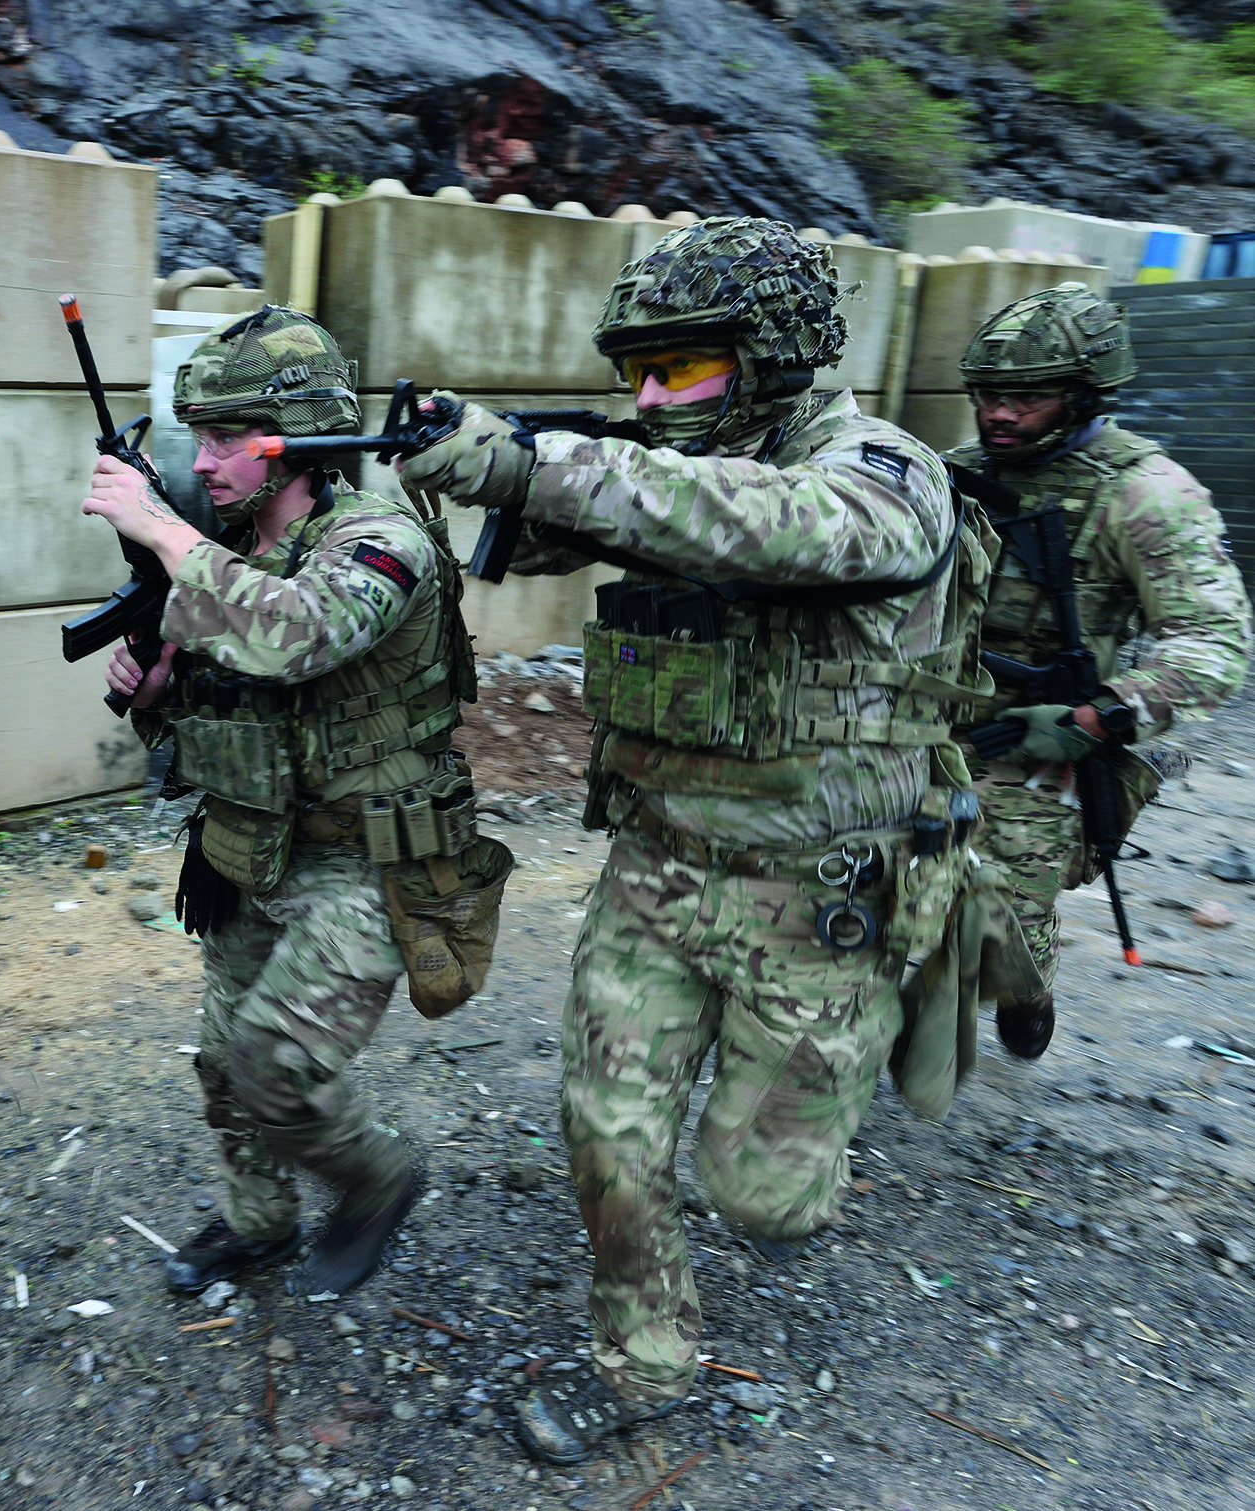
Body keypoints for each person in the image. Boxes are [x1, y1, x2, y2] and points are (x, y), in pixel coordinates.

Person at [399, 217, 988, 1465]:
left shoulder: (880, 472)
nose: (655, 397)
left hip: (815, 897)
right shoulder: (660, 466)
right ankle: (643, 1360)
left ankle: (915, 996)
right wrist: (438, 451)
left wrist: (529, 466)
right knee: (605, 1129)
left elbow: (757, 521)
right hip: (657, 870)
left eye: (686, 368)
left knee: (764, 1202)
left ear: (772, 355)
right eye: (639, 373)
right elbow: (581, 505)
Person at [82, 305, 507, 1300]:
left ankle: (377, 1180)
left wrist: (159, 527)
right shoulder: (229, 547)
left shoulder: (378, 538)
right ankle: (259, 1222)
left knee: (278, 1063)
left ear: (303, 437)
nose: (207, 456)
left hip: (370, 859)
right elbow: (225, 710)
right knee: (227, 1066)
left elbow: (299, 634)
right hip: (250, 843)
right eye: (198, 434)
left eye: (229, 434)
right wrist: (156, 696)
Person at [945, 283, 1251, 1057]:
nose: (1000, 414)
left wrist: (1102, 718)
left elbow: (1214, 640)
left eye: (1030, 397)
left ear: (1085, 396)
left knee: (1000, 916)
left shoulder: (1144, 494)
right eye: (987, 395)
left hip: (1051, 739)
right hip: (931, 716)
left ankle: (1025, 981)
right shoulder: (950, 474)